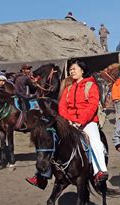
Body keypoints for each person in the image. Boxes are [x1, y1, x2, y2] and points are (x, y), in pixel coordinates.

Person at [26, 59, 108, 189]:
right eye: (70, 69)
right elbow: (62, 106)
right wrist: (66, 120)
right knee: (50, 137)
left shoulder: (91, 86)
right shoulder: (68, 89)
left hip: (87, 122)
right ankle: (42, 175)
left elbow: (92, 107)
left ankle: (100, 171)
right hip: (68, 121)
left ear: (82, 70)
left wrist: (80, 122)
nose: (71, 71)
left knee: (95, 141)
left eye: (74, 69)